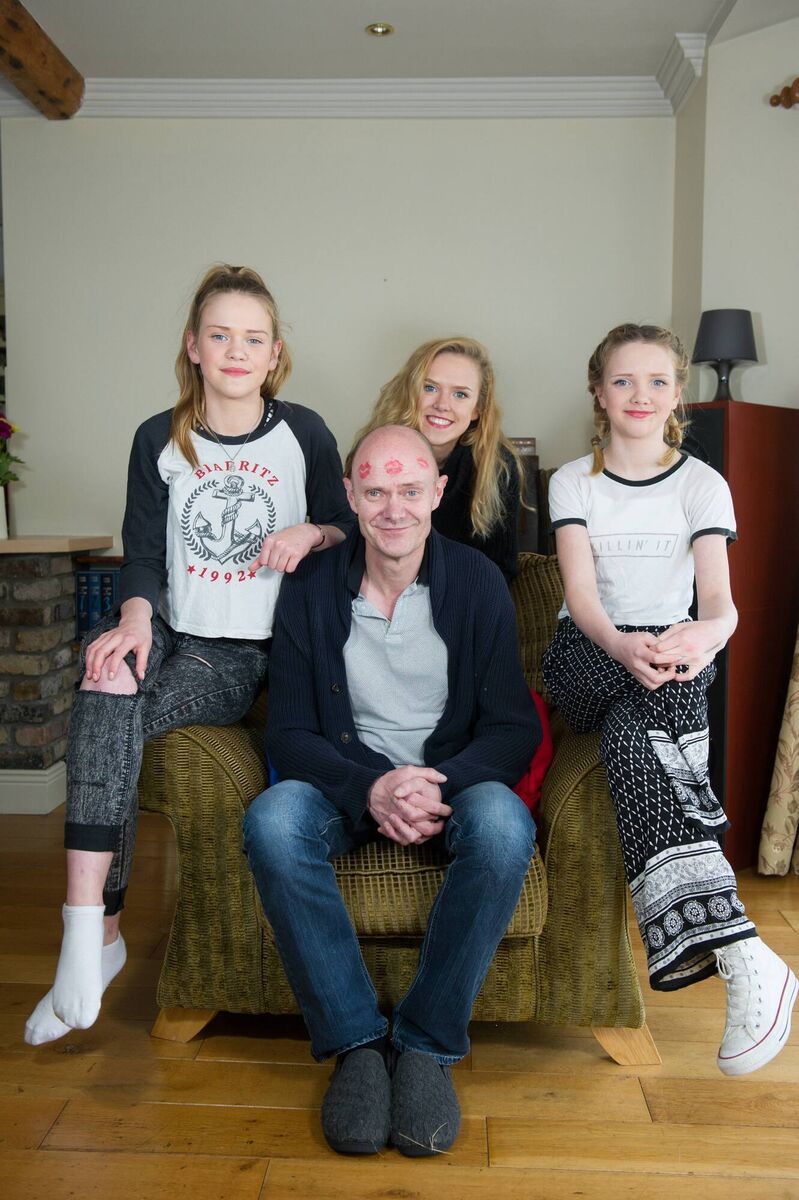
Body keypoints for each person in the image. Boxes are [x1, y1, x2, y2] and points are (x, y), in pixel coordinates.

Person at [25, 264, 354, 1046]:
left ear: (274, 353)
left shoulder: (301, 432)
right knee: (107, 682)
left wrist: (311, 531)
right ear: (193, 347)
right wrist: (134, 622)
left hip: (241, 648)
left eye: (253, 337)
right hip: (170, 619)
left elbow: (346, 523)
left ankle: (99, 936)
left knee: (120, 720)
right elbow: (141, 553)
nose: (236, 350)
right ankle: (88, 929)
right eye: (220, 335)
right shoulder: (158, 436)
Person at [243, 424, 539, 1155]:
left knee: (503, 829)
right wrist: (373, 788)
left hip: (451, 784)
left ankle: (427, 1045)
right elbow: (289, 734)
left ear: (437, 493)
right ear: (349, 496)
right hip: (346, 787)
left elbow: (510, 728)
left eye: (410, 490)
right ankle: (355, 1045)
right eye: (374, 492)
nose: (393, 509)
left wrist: (436, 785)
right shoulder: (309, 586)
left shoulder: (475, 582)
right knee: (274, 821)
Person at [542, 322, 797, 1077]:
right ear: (597, 391)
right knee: (640, 707)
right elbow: (581, 598)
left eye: (656, 381)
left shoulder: (700, 484)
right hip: (588, 655)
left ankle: (744, 959)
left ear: (677, 393)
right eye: (622, 381)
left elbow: (720, 605)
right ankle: (744, 951)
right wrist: (625, 644)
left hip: (673, 651)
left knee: (633, 737)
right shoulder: (571, 481)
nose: (639, 395)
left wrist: (701, 639)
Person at [347, 337, 522, 581]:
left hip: (464, 596)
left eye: (460, 394)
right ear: (411, 392)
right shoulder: (372, 453)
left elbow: (501, 568)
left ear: (476, 409)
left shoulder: (497, 467)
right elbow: (350, 547)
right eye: (429, 388)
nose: (442, 405)